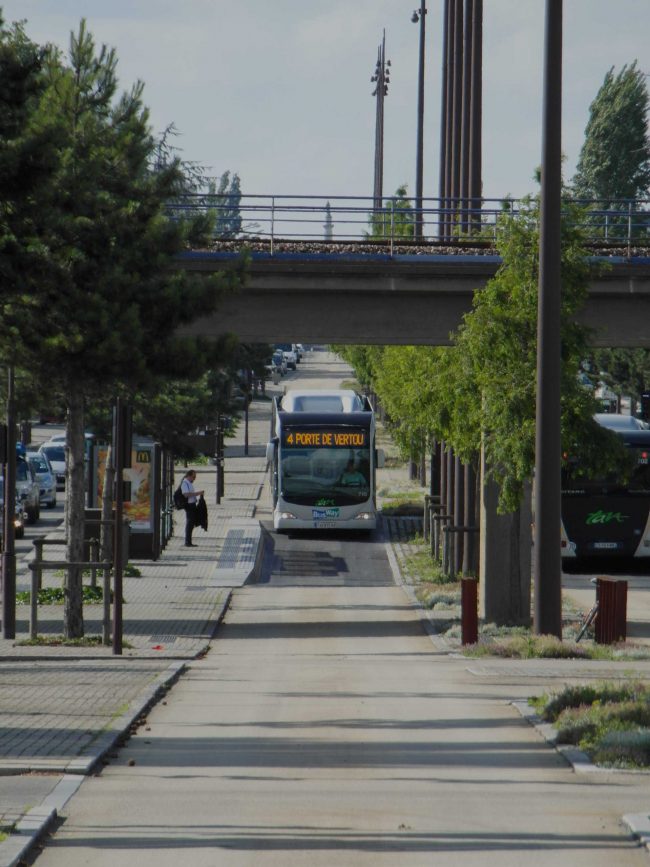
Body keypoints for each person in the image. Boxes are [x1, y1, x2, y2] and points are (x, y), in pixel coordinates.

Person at [181, 469, 204, 547]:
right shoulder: (185, 483)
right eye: (193, 477)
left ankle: (189, 541)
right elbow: (186, 494)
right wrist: (198, 493)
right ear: (189, 476)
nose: (194, 479)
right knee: (189, 523)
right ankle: (187, 542)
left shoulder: (189, 483)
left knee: (191, 523)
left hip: (193, 504)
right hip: (189, 505)